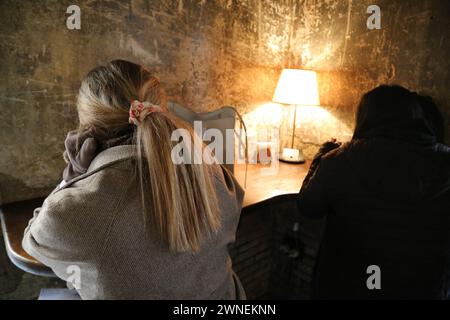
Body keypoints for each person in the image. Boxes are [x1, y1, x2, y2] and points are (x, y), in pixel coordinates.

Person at [22, 60, 246, 300]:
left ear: (89, 128)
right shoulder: (214, 172)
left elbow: (32, 238)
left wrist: (71, 179)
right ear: (160, 108)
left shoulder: (77, 211)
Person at [298, 85, 450, 299]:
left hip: (349, 284)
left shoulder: (340, 159)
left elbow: (308, 206)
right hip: (421, 288)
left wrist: (320, 157)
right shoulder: (445, 162)